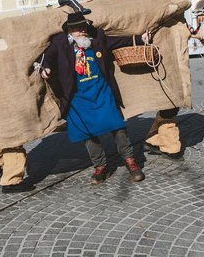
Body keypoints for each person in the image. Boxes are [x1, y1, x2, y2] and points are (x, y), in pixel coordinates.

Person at [38, 12, 149, 185]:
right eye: (76, 28)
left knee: (117, 125)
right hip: (76, 96)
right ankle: (100, 166)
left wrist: (140, 38)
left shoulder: (97, 38)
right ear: (69, 30)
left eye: (83, 27)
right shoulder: (60, 42)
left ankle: (130, 161)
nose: (81, 31)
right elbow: (47, 57)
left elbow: (118, 41)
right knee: (86, 132)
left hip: (101, 91)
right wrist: (44, 67)